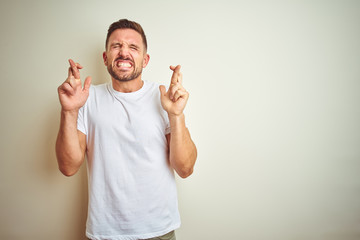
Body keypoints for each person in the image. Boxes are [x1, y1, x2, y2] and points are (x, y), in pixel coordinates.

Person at [55, 19, 197, 240]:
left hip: (158, 231)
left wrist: (176, 115)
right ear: (105, 57)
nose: (124, 53)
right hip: (105, 233)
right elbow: (68, 167)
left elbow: (185, 168)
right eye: (116, 46)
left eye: (133, 47)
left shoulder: (163, 98)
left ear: (145, 59)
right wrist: (69, 111)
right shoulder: (87, 99)